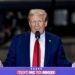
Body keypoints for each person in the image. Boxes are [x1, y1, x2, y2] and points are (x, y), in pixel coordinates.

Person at [3, 9, 71, 67]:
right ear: (29, 24)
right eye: (34, 22)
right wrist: (1, 67)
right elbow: (9, 65)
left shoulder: (55, 41)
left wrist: (73, 66)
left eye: (39, 21)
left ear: (46, 23)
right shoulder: (17, 41)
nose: (36, 25)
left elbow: (62, 64)